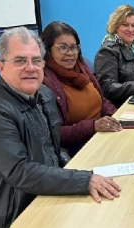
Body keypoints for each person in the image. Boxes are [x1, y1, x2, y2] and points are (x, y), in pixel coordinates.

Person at [0, 26, 122, 228]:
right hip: (12, 227)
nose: (30, 68)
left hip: (47, 203)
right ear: (1, 67)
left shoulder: (44, 95)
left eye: (35, 60)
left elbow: (53, 148)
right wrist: (82, 180)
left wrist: (85, 172)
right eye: (20, 60)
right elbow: (21, 171)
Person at [40, 21, 122, 156]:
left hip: (101, 132)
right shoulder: (45, 84)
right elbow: (55, 134)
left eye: (73, 47)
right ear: (47, 50)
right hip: (79, 144)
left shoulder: (82, 68)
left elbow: (101, 100)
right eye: (63, 47)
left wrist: (117, 116)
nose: (70, 53)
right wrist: (93, 126)